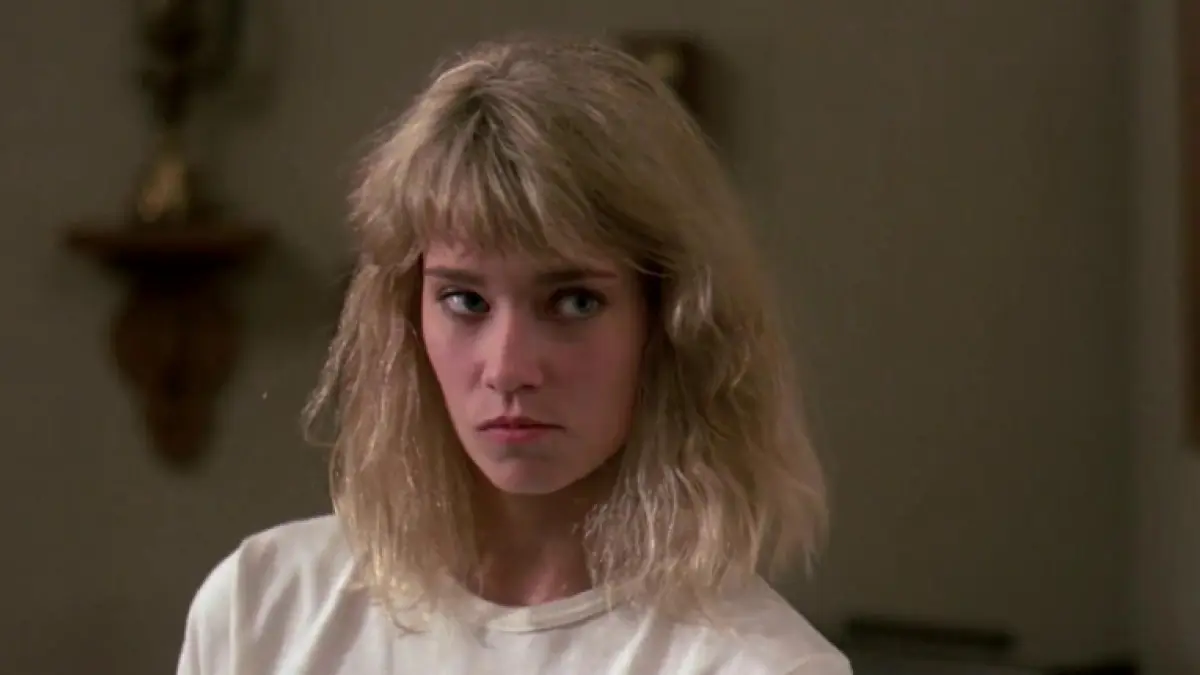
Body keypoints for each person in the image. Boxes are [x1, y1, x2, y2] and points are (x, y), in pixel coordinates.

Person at [175, 34, 852, 675]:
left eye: (574, 302)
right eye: (465, 300)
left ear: (670, 322)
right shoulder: (262, 609)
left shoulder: (757, 665)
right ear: (407, 316)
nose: (508, 369)